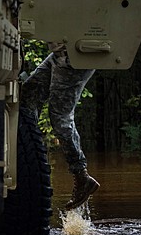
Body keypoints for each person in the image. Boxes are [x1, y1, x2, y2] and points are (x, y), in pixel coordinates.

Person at [20, 43, 100, 210]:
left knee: (60, 117)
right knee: (28, 94)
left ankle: (81, 176)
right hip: (61, 54)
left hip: (76, 56)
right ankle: (28, 150)